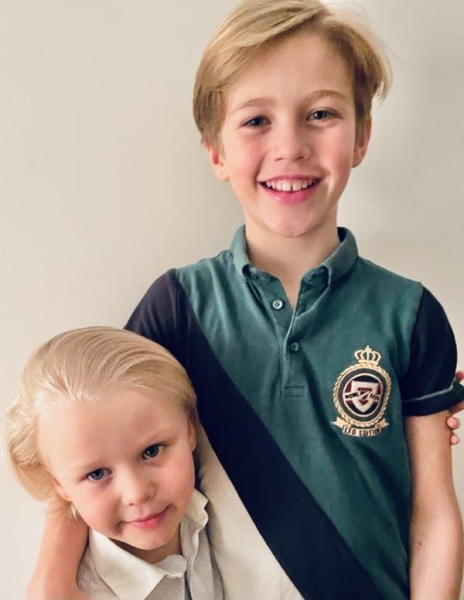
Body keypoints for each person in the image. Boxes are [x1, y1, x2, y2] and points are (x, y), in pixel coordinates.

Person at [25, 0, 464, 599]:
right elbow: (89, 441)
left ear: (361, 137)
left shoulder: (411, 314)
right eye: (257, 120)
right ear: (216, 152)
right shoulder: (176, 308)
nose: (291, 146)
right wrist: (52, 576)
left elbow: (434, 515)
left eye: (320, 114)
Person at [3, 326, 223, 600]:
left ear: (190, 429)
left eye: (152, 451)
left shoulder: (212, 501)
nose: (137, 493)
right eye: (97, 474)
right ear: (59, 485)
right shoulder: (84, 591)